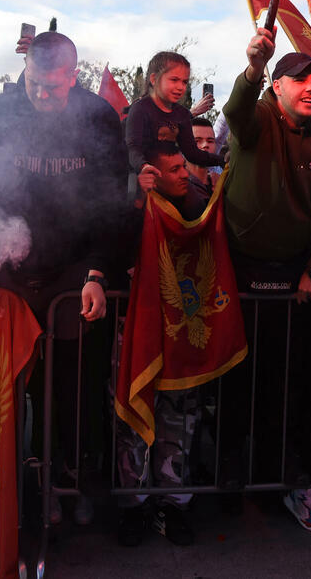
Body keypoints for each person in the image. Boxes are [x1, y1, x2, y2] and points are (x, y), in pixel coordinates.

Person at [0, 31, 128, 526]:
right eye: (34, 85)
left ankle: (71, 483)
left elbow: (112, 208)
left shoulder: (99, 119)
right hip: (11, 274)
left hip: (71, 275)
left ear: (74, 75)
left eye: (54, 87)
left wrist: (96, 272)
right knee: (5, 387)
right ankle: (6, 490)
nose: (43, 96)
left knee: (73, 389)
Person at [219, 27, 311, 533]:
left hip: (295, 280)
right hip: (241, 273)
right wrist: (252, 66)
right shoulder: (255, 119)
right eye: (300, 80)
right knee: (235, 381)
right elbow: (233, 110)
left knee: (285, 385)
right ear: (277, 87)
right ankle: (227, 475)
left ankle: (280, 479)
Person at [116, 141, 208, 548]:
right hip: (138, 336)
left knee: (181, 422)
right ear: (152, 173)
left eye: (184, 167)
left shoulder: (199, 209)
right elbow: (112, 245)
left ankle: (174, 503)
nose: (184, 174)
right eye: (173, 170)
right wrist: (137, 200)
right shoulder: (130, 208)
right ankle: (132, 505)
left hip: (182, 337)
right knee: (132, 419)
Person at [125, 51, 224, 179]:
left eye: (184, 82)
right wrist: (143, 166)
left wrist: (222, 161)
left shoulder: (181, 114)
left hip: (170, 179)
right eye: (174, 80)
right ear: (154, 79)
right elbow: (132, 147)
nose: (180, 87)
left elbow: (192, 153)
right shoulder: (140, 109)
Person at [185, 117, 219, 198]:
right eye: (197, 141)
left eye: (210, 141)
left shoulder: (221, 185)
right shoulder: (173, 186)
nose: (205, 145)